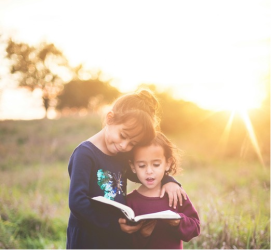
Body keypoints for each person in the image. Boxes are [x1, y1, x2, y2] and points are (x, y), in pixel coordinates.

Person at [66, 89, 187, 250]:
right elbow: (77, 202)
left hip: (116, 236)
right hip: (88, 236)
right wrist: (114, 225)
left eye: (132, 143)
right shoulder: (85, 154)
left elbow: (143, 175)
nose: (125, 146)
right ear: (110, 119)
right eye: (123, 136)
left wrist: (169, 180)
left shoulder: (121, 154)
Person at [127, 131, 200, 250]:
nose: (149, 171)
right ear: (133, 167)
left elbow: (195, 228)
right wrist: (143, 235)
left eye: (156, 164)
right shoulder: (130, 202)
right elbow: (125, 242)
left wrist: (178, 222)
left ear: (167, 163)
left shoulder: (175, 194)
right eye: (141, 166)